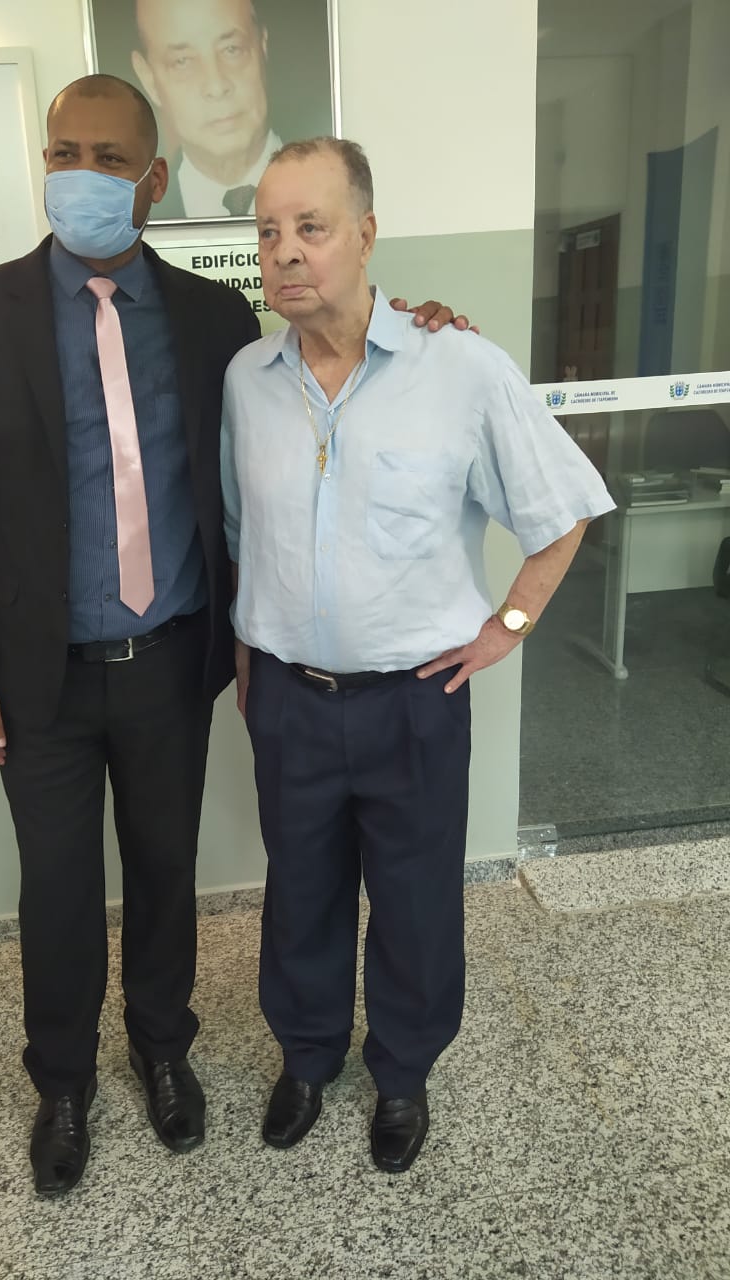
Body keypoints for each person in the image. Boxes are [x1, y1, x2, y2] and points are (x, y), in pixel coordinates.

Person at [0, 77, 466, 1196]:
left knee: (167, 870)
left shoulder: (216, 318)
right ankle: (63, 1081)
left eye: (109, 157)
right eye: (64, 152)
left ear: (154, 180)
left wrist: (427, 325)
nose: (82, 174)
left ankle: (163, 1050)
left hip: (171, 661)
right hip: (35, 677)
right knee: (57, 885)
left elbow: (320, 365)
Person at [221, 137, 615, 1173]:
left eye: (311, 227)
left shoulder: (461, 368)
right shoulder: (248, 381)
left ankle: (402, 1071)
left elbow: (564, 508)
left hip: (414, 699)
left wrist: (508, 626)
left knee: (415, 898)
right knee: (300, 891)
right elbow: (241, 531)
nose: (285, 251)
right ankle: (308, 1055)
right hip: (289, 698)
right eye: (268, 231)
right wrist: (250, 654)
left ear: (365, 234)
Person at [131, 0, 279, 219]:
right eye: (182, 61)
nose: (216, 86)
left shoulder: (329, 188)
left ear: (262, 47)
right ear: (149, 78)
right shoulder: (135, 217)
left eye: (231, 49)